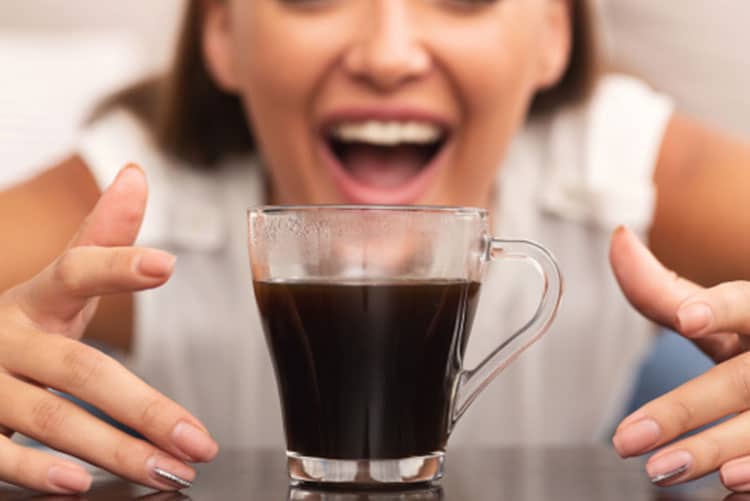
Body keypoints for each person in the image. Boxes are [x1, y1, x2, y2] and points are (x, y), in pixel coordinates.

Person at [0, 0, 749, 495]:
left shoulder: (613, 167)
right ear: (222, 33)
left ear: (554, 34)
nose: (388, 56)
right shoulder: (137, 199)